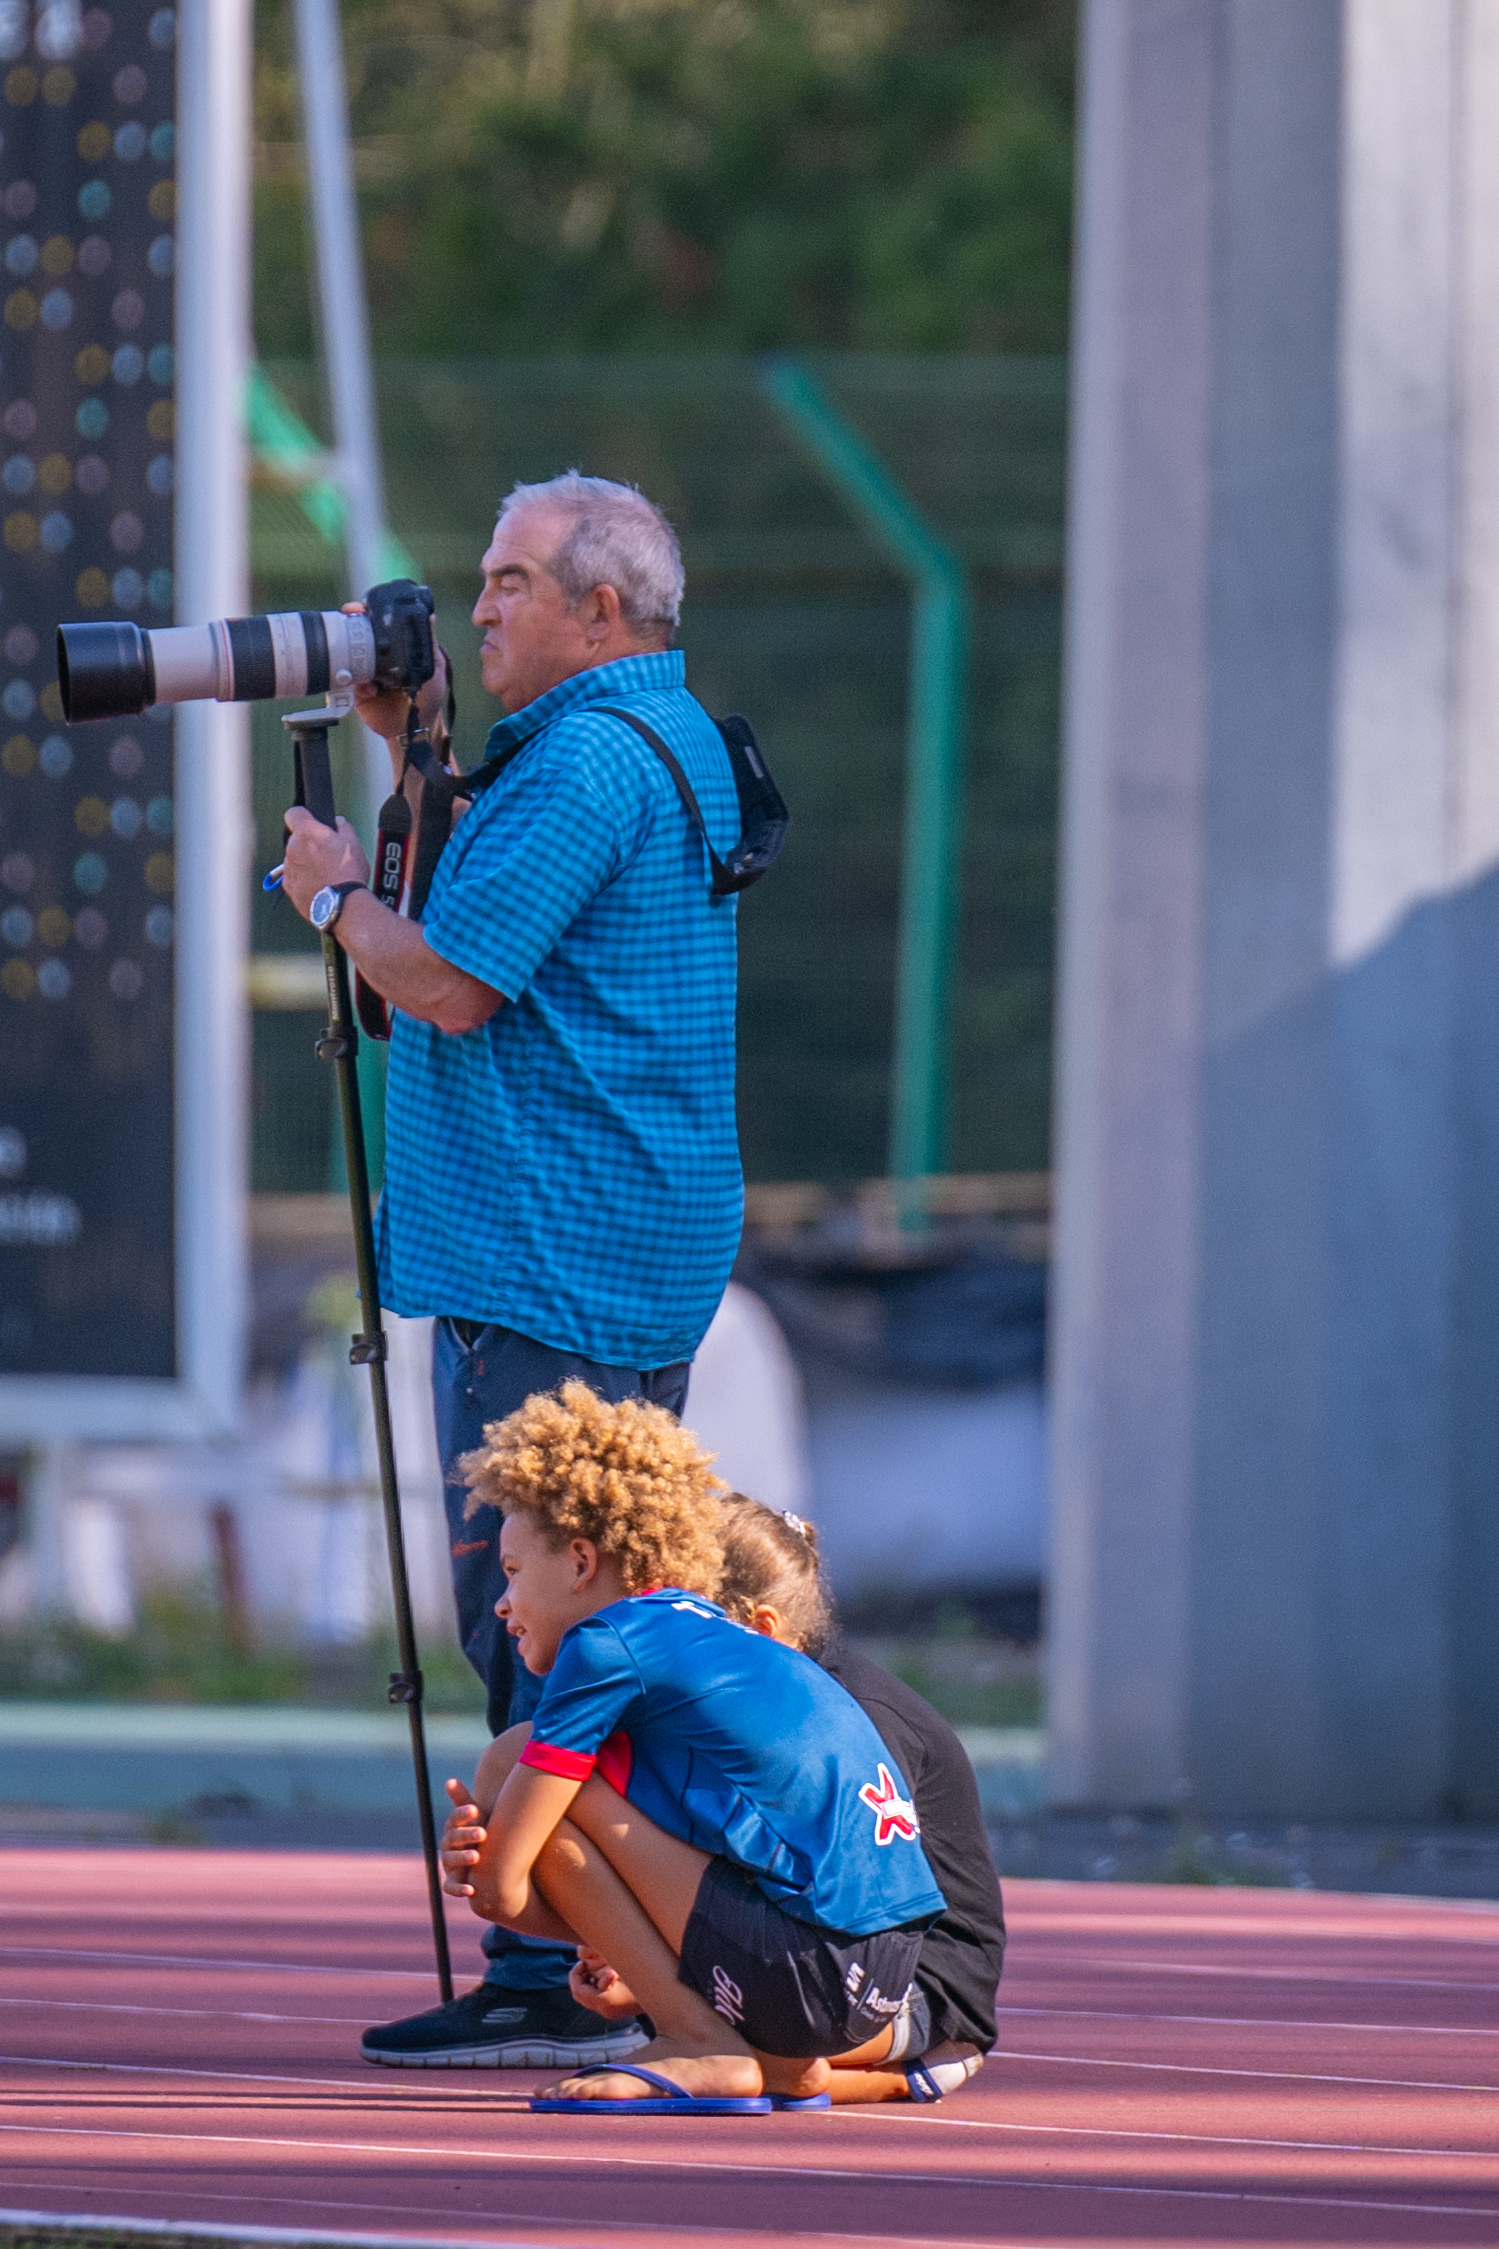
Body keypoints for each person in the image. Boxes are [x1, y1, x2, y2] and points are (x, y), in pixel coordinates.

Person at [270, 474, 746, 2070]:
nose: (477, 606)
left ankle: (554, 1962)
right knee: (617, 1610)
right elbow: (489, 927)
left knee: (537, 1619)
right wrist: (415, 754)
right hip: (629, 1240)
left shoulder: (584, 763)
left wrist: (330, 893)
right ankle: (613, 1946)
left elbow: (450, 979)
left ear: (600, 610)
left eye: (511, 582)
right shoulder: (658, 735)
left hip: (547, 1255)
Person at [427, 1384, 945, 2112]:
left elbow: (503, 1891)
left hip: (813, 1969)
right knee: (546, 1780)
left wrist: (484, 1857)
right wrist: (623, 1939)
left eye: (511, 1572)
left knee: (515, 1761)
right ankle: (776, 2061)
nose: (501, 1604)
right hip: (881, 1984)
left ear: (581, 1561)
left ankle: (696, 2037)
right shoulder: (707, 1634)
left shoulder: (608, 1642)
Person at [559, 1493, 999, 2103]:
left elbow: (843, 1897)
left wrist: (658, 1976)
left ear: (761, 1629)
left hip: (915, 1988)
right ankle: (786, 2066)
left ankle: (861, 2066)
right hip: (807, 1958)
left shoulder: (848, 1719)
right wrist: (626, 1953)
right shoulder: (731, 1706)